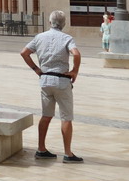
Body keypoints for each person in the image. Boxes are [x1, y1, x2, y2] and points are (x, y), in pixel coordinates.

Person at [21, 9, 83, 163]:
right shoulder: (67, 38)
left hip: (45, 80)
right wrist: (74, 71)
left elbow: (24, 53)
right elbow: (76, 53)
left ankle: (41, 149)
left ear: (50, 22)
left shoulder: (39, 37)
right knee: (66, 117)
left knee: (46, 115)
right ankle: (68, 153)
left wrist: (36, 69)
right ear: (64, 24)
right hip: (61, 81)